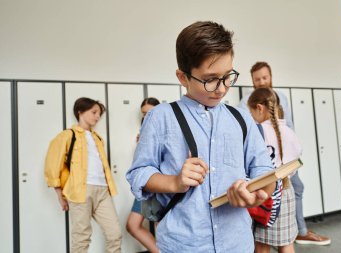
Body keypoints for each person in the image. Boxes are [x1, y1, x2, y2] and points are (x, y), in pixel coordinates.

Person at [126, 21, 276, 253]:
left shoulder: (242, 118)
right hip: (183, 244)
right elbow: (138, 173)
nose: (222, 88)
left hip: (237, 243)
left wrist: (257, 195)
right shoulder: (160, 117)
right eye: (210, 79)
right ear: (183, 77)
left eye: (228, 76)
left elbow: (265, 172)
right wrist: (175, 182)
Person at [239, 61, 331, 245]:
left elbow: (289, 126)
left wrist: (289, 160)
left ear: (270, 76)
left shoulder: (281, 97)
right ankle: (291, 233)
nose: (262, 82)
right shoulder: (245, 102)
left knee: (294, 190)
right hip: (266, 170)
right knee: (269, 210)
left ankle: (299, 231)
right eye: (257, 79)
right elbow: (246, 134)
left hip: (284, 164)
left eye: (265, 77)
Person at [44, 97, 122, 253]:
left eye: (99, 114)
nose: (97, 117)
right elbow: (53, 166)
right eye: (94, 112)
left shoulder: (98, 138)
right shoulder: (67, 135)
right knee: (81, 237)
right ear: (80, 111)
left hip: (102, 191)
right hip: (80, 191)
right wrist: (60, 196)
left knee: (115, 234)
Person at [248, 87, 301, 253]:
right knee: (286, 242)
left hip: (268, 195)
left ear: (259, 108)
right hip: (287, 191)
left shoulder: (258, 132)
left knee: (262, 244)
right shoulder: (289, 132)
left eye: (251, 113)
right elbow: (297, 158)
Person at [126, 97, 160, 253]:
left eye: (149, 112)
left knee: (162, 229)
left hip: (161, 185)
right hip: (146, 185)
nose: (146, 116)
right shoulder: (144, 131)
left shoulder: (164, 128)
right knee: (132, 225)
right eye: (143, 113)